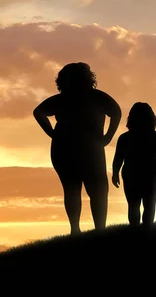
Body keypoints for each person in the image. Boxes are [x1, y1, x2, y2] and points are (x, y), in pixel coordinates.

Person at [33, 63, 122, 235]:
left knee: (73, 188)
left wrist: (51, 132)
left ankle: (76, 229)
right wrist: (108, 135)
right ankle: (98, 229)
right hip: (88, 148)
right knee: (97, 189)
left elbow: (39, 112)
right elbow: (116, 112)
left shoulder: (62, 99)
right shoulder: (96, 96)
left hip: (67, 147)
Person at [111, 102, 156, 228]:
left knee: (133, 204)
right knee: (149, 205)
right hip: (151, 172)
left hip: (132, 172)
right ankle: (145, 231)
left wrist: (115, 173)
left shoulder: (124, 138)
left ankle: (136, 232)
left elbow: (118, 158)